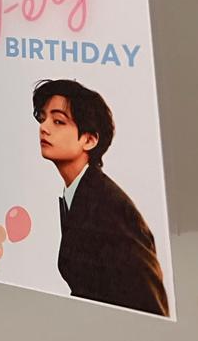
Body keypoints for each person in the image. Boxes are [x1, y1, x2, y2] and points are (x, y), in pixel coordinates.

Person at [33, 79, 169, 316]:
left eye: (58, 121)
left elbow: (150, 303)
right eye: (42, 118)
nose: (44, 128)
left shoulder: (108, 207)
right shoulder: (81, 193)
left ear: (89, 140)